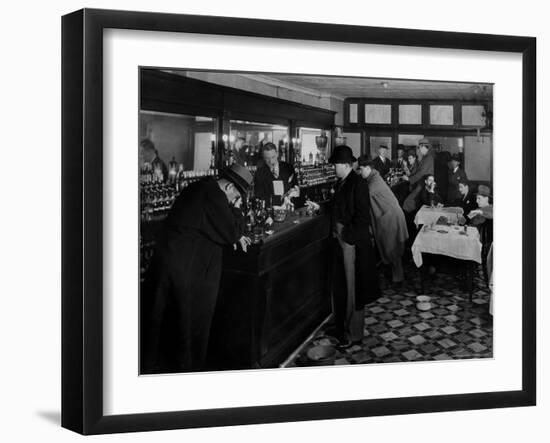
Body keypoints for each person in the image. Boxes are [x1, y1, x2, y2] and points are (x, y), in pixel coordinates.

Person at [141, 164, 253, 373]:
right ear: (229, 187)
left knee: (165, 322)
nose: (234, 201)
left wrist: (235, 231)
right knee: (188, 322)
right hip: (184, 268)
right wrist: (237, 210)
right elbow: (231, 232)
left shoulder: (202, 187)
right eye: (236, 196)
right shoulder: (215, 196)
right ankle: (187, 370)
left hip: (172, 263)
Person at [328, 145, 380, 348]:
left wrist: (347, 237)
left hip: (351, 243)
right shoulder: (342, 181)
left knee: (352, 290)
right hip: (340, 240)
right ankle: (341, 327)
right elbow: (337, 206)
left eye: (335, 165)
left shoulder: (358, 184)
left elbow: (362, 216)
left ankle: (353, 334)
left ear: (344, 165)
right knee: (341, 287)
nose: (333, 168)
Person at [358, 156, 409, 284]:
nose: (360, 172)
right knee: (392, 248)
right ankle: (396, 277)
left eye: (361, 169)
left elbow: (363, 197)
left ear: (368, 168)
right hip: (389, 216)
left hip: (391, 217)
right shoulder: (373, 177)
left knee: (393, 249)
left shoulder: (375, 181)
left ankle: (398, 280)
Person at [253, 142, 301, 207]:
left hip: (288, 208)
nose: (271, 161)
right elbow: (259, 196)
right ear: (263, 157)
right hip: (270, 210)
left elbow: (295, 187)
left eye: (273, 157)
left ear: (277, 154)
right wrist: (279, 199)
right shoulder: (259, 173)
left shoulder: (288, 167)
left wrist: (295, 192)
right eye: (267, 158)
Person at [402, 138, 435, 213]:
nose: (419, 150)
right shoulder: (425, 157)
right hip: (421, 184)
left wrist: (409, 179)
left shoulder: (428, 158)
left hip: (424, 185)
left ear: (424, 147)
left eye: (420, 148)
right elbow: (418, 172)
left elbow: (421, 173)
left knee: (408, 202)